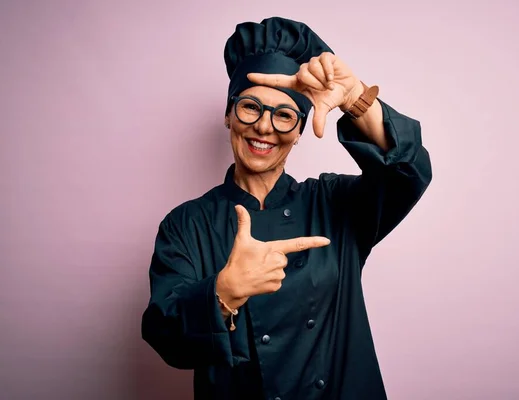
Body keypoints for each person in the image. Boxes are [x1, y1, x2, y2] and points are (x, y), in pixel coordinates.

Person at [141, 16, 432, 400]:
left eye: (283, 115)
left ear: (298, 133)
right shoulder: (186, 224)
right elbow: (165, 336)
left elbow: (408, 171)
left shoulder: (335, 203)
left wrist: (356, 98)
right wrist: (223, 293)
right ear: (229, 115)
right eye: (250, 107)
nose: (264, 127)